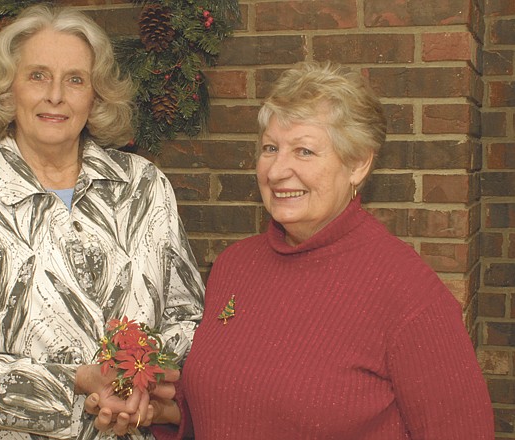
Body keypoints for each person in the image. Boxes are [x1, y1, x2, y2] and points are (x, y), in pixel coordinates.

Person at [89, 60, 495, 438]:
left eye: (304, 150)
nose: (278, 170)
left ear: (357, 164)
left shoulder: (407, 291)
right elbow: (233, 404)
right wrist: (161, 411)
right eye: (270, 148)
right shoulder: (235, 267)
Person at [0, 4, 204, 440]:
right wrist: (79, 385)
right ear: (7, 90)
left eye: (75, 79)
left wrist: (142, 387)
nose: (56, 95)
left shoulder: (144, 186)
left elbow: (186, 315)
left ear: (95, 95)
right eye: (38, 75)